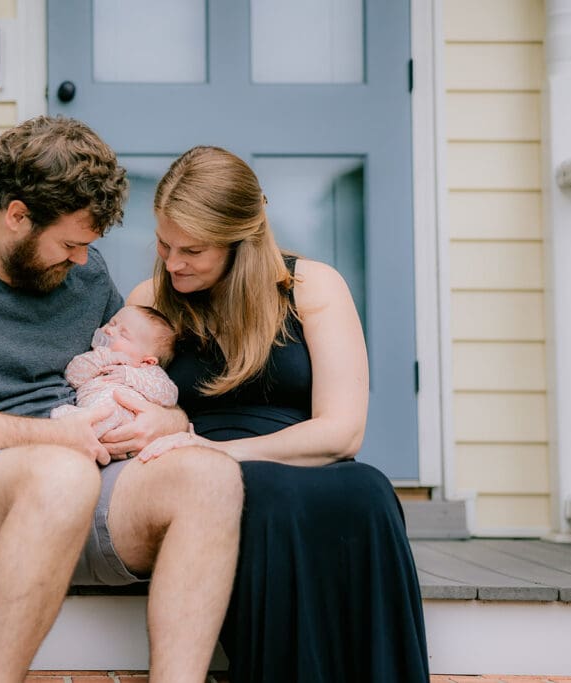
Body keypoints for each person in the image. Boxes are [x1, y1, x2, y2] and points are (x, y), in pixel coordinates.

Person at [0, 118, 244, 683]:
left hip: (86, 477)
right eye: (69, 244)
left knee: (210, 476)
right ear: (17, 214)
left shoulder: (85, 275)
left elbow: (137, 369)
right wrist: (48, 437)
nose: (83, 261)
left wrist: (167, 419)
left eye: (89, 246)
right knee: (61, 474)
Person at [126, 145, 430, 682]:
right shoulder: (151, 301)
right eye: (164, 243)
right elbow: (120, 399)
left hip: (296, 456)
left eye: (192, 250)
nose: (173, 263)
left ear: (241, 240)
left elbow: (343, 432)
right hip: (203, 477)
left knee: (369, 490)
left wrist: (220, 451)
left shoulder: (312, 286)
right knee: (264, 495)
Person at [50, 305, 178, 438]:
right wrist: (105, 358)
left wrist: (130, 376)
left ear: (147, 361)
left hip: (126, 419)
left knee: (109, 413)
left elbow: (169, 396)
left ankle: (75, 434)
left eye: (123, 334)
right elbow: (73, 376)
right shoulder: (96, 357)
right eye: (112, 323)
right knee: (64, 414)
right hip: (91, 412)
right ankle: (74, 433)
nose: (110, 330)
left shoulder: (148, 371)